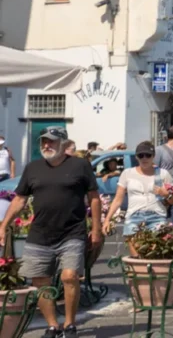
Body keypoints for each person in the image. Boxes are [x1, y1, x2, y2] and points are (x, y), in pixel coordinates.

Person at [0, 126, 102, 338]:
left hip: (72, 232)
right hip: (40, 234)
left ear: (64, 144)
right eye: (43, 141)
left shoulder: (80, 166)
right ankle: (53, 325)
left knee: (70, 276)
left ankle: (71, 324)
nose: (46, 145)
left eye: (52, 141)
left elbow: (93, 197)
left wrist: (96, 229)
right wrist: (3, 225)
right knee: (39, 280)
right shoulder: (33, 168)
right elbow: (20, 199)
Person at [105, 141, 173, 252]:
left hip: (156, 216)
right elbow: (118, 199)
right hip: (134, 216)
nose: (144, 158)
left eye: (148, 155)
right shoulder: (127, 173)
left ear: (153, 156)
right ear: (137, 157)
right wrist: (107, 219)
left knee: (153, 253)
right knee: (136, 255)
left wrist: (166, 194)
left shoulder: (163, 174)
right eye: (141, 155)